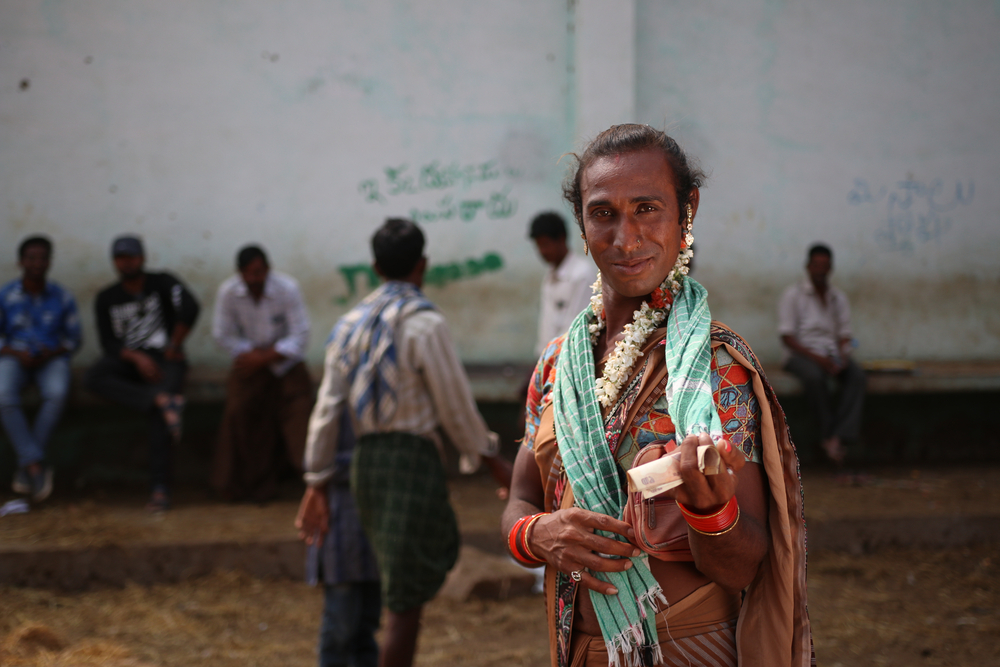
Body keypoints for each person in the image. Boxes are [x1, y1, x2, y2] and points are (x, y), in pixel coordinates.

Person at [502, 124, 812, 667]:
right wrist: (536, 535)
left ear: (686, 210)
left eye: (647, 208)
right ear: (581, 221)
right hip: (576, 648)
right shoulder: (559, 363)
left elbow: (743, 569)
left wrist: (709, 510)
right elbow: (521, 497)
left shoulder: (716, 372)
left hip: (688, 649)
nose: (625, 238)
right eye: (604, 213)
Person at [296, 218, 512, 667]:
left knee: (396, 582)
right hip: (409, 461)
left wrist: (316, 480)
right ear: (423, 265)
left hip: (365, 462)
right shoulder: (424, 324)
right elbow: (455, 406)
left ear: (374, 266)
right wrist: (492, 458)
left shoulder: (348, 325)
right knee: (405, 599)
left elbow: (327, 410)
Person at [85, 235, 200, 511]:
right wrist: (136, 357)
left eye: (132, 257)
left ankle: (160, 489)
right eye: (121, 258)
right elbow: (108, 344)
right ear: (114, 261)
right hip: (129, 362)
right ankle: (158, 400)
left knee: (161, 418)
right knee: (94, 377)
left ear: (142, 258)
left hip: (166, 359)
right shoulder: (107, 298)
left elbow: (190, 307)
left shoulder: (162, 282)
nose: (127, 263)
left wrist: (174, 344)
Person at [211, 245, 312, 502]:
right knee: (238, 413)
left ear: (267, 270)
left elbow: (300, 335)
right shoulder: (229, 292)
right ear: (240, 273)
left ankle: (312, 483)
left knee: (301, 417)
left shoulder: (287, 288)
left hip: (286, 365)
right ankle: (241, 486)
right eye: (248, 273)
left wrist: (267, 356)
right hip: (248, 365)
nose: (254, 279)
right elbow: (222, 334)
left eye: (258, 273)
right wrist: (251, 355)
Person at [0, 236, 82, 502]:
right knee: (2, 395)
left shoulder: (62, 296)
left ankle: (27, 466)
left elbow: (73, 339)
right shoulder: (6, 295)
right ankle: (35, 466)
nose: (37, 263)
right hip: (14, 356)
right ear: (20, 262)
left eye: (42, 258)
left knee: (57, 394)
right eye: (31, 258)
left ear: (49, 262)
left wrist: (51, 351)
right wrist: (15, 352)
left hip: (51, 359)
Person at [302, 411, 381, 667]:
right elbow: (318, 463)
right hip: (339, 530)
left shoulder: (384, 406)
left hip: (375, 532)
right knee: (340, 626)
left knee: (367, 626)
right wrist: (376, 461)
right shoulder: (332, 408)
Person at [778, 244, 865, 464]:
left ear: (830, 268)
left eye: (825, 266)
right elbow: (787, 338)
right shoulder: (794, 295)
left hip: (830, 356)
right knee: (815, 378)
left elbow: (844, 334)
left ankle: (839, 435)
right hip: (801, 356)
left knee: (856, 376)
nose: (820, 270)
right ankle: (827, 435)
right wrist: (818, 360)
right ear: (808, 267)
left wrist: (842, 356)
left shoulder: (838, 298)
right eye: (816, 265)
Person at [529, 211, 596, 356]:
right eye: (539, 246)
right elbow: (546, 324)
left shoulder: (581, 274)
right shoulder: (550, 275)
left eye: (546, 244)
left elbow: (574, 329)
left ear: (561, 239)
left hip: (567, 359)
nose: (542, 251)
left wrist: (551, 362)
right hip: (548, 358)